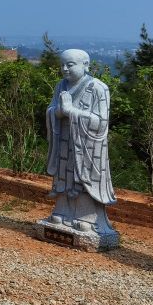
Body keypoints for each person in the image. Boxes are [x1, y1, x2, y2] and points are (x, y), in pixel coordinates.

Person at [42, 49, 117, 238]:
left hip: (86, 148)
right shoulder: (61, 86)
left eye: (70, 64)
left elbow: (101, 123)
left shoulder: (98, 88)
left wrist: (72, 112)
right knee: (63, 177)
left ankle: (87, 217)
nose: (64, 69)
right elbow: (53, 110)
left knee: (82, 179)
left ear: (86, 65)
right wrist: (58, 112)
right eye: (62, 65)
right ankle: (62, 211)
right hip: (64, 143)